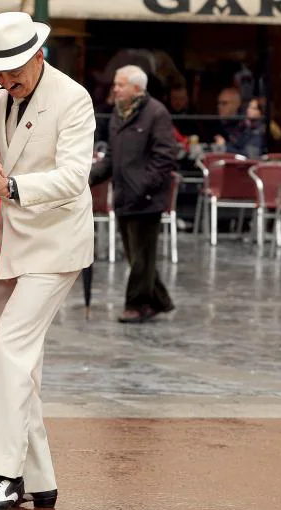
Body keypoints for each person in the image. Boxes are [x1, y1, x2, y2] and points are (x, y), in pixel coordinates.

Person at [0, 12, 96, 510]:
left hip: (58, 243)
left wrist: (11, 187)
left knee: (9, 352)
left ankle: (4, 475)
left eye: (14, 68)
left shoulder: (74, 97)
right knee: (22, 368)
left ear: (38, 55)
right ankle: (41, 480)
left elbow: (73, 178)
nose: (5, 79)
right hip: (17, 245)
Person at [90, 65, 177, 323]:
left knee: (142, 256)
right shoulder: (119, 115)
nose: (115, 89)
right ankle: (159, 301)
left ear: (137, 88)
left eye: (120, 84)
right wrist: (90, 176)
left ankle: (136, 305)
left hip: (146, 199)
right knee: (137, 256)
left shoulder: (156, 113)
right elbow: (114, 158)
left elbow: (165, 156)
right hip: (124, 196)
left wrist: (144, 185)